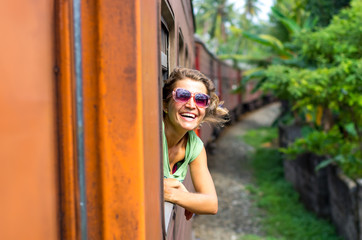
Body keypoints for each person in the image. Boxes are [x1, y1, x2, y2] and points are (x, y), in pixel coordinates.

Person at [162, 67, 229, 220]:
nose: (192, 105)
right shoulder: (151, 135)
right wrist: (185, 198)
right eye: (182, 96)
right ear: (165, 105)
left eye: (200, 99)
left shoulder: (195, 146)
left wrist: (174, 192)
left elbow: (211, 204)